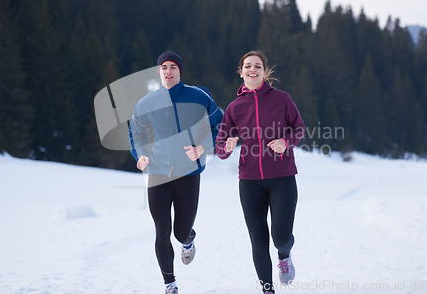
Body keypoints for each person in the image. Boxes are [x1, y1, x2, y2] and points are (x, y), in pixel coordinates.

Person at [128, 51, 223, 294]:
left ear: (180, 71)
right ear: (159, 72)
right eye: (163, 67)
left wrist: (202, 147)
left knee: (180, 232)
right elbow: (136, 132)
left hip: (188, 172)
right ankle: (169, 283)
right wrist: (140, 155)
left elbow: (221, 127)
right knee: (162, 228)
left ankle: (189, 239)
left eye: (172, 67)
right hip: (158, 170)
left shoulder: (198, 97)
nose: (168, 71)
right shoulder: (147, 102)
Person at [215, 51, 305, 294]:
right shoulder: (234, 108)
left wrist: (285, 142)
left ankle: (284, 256)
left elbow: (299, 128)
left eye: (257, 66)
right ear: (241, 71)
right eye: (247, 66)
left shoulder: (282, 99)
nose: (252, 69)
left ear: (265, 72)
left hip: (282, 177)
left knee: (280, 237)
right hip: (250, 181)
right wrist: (227, 146)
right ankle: (268, 290)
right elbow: (220, 148)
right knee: (258, 239)